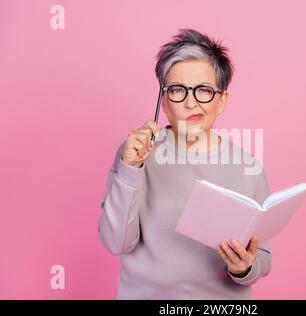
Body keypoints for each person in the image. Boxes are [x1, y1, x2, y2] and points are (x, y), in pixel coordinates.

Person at [98, 28, 272, 299]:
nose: (191, 103)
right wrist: (130, 168)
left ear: (222, 100)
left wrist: (244, 267)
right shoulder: (135, 154)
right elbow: (116, 242)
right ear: (164, 101)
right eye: (178, 90)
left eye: (203, 91)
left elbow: (262, 257)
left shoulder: (247, 166)